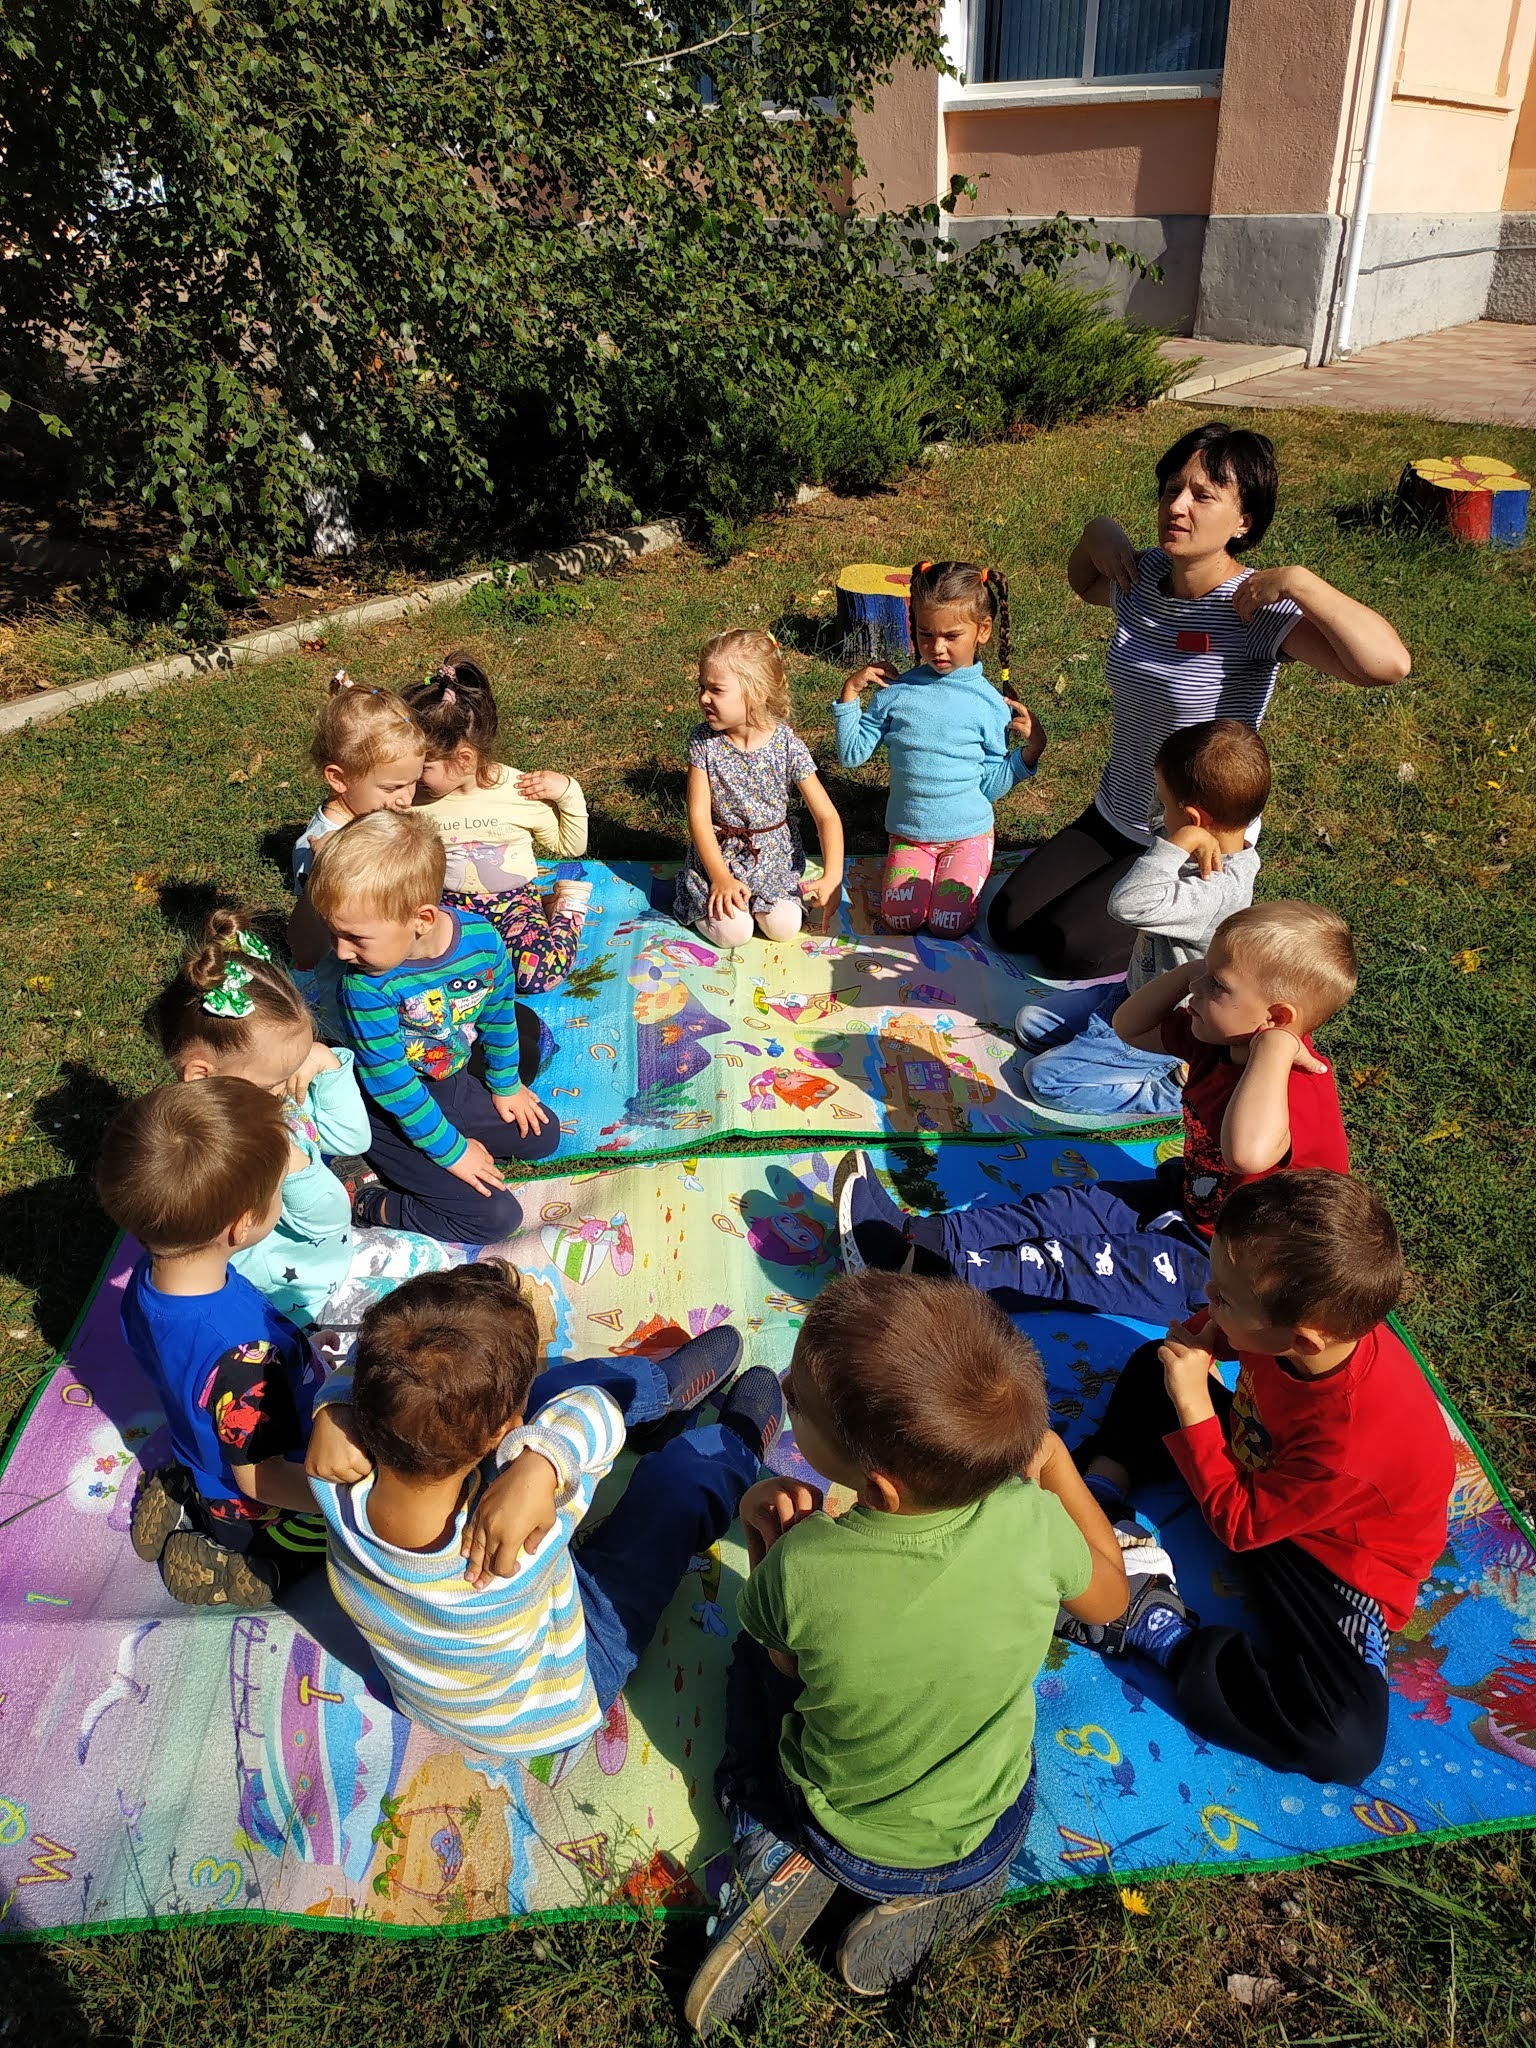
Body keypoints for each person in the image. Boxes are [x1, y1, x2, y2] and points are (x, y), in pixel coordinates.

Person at [683, 1272, 1127, 2034]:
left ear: (882, 1489)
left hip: (834, 1824)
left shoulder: (805, 1567)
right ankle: (950, 1895)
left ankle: (769, 1849)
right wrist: (1055, 1462)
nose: (784, 1388)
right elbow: (1111, 1600)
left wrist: (768, 1538)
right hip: (982, 1829)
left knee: (749, 1670)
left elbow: (786, 1666)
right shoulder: (1033, 1520)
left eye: (798, 1402)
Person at [1060, 1171, 1456, 1784]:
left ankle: (1155, 1625)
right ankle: (1097, 1498)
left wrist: (1195, 1402)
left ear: (1301, 1339)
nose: (1206, 1296)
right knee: (1154, 1368)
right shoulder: (1301, 1335)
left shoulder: (1350, 1443)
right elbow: (1229, 1342)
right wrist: (1209, 1338)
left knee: (1343, 1741)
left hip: (1334, 1559)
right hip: (1265, 1469)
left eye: (1224, 1298)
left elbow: (1241, 1527)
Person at [305, 1262, 785, 1760]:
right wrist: (542, 1467)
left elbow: (373, 1361)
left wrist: (331, 1406)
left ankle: (661, 1395)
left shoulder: (330, 1480)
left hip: (444, 1690)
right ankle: (734, 1445)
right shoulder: (524, 1543)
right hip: (566, 1684)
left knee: (517, 1402)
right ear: (502, 1437)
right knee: (666, 1477)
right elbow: (597, 1413)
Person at [985, 422, 1411, 975]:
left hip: (1197, 837)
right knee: (1008, 922)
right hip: (1117, 810)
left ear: (1243, 521)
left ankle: (1207, 906)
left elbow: (1387, 665)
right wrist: (1097, 532)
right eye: (1171, 489)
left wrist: (1300, 582)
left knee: (1067, 950)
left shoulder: (1253, 609)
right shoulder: (1142, 576)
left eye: (1202, 496)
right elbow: (1085, 583)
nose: (1177, 506)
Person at [837, 899, 1355, 1326]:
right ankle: (925, 1237)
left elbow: (1246, 1153)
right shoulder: (1218, 1036)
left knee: (1071, 1264)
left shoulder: (1295, 1085)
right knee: (1063, 1210)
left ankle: (914, 1274)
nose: (1199, 989)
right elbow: (1130, 1026)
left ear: (1277, 1019)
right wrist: (1190, 973)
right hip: (1187, 1200)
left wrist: (1274, 1048)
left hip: (1232, 1273)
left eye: (1217, 984)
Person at [150, 907, 453, 1329]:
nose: (287, 1088)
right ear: (202, 1076)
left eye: (296, 1064)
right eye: (276, 1080)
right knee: (408, 1329)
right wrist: (295, 1165)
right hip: (297, 1294)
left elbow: (351, 1140)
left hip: (330, 1251)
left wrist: (325, 1064)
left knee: (440, 1263)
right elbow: (325, 1217)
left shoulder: (262, 1097)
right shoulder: (216, 1154)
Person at [96, 1078, 330, 1609]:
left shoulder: (149, 1282)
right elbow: (262, 1477)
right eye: (279, 1189)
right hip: (253, 1503)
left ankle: (182, 1493)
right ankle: (228, 1559)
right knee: (330, 1544)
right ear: (242, 1224)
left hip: (203, 1452)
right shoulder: (243, 1355)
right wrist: (344, 1503)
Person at [305, 807, 557, 1243]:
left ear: (421, 920)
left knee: (543, 1134)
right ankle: (365, 1198)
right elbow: (393, 1086)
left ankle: (437, 1147)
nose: (341, 952)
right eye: (334, 934)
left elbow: (499, 1012)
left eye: (355, 938)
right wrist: (452, 1153)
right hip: (384, 1108)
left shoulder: (481, 941)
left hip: (447, 1077)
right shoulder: (364, 984)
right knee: (495, 1218)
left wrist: (506, 1085)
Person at [1017, 718, 1269, 1122]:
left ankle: (1175, 1089)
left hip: (1167, 1023)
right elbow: (1161, 824)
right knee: (1030, 1024)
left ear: (1193, 819)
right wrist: (1180, 828)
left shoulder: (1217, 890)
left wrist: (1179, 842)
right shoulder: (1208, 833)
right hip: (1134, 992)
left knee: (1045, 1079)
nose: (1158, 813)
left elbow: (1126, 904)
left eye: (1164, 802)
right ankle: (1101, 1048)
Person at [834, 560, 1045, 938]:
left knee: (949, 923)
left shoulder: (990, 705)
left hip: (968, 836)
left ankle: (965, 866)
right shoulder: (896, 693)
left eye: (951, 635)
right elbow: (852, 755)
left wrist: (1029, 754)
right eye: (926, 634)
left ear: (983, 630)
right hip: (910, 836)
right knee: (902, 918)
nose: (937, 647)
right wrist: (849, 694)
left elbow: (988, 785)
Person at [404, 651, 594, 994]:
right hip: (450, 909)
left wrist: (568, 792)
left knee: (537, 976)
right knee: (429, 978)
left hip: (514, 906)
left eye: (423, 767)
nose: (412, 776)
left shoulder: (519, 791)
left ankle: (566, 910)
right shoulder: (413, 798)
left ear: (463, 759)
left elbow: (570, 846)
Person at [675, 629, 845, 949]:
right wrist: (720, 877)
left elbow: (826, 817)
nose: (704, 698)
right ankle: (706, 894)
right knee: (734, 932)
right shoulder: (704, 742)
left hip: (772, 859)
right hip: (720, 856)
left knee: (784, 927)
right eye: (702, 687)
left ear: (756, 694)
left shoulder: (787, 745)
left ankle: (758, 903)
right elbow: (698, 817)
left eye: (716, 690)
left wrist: (832, 877)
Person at [286, 671, 428, 1035]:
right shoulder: (321, 846)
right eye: (392, 787)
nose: (406, 799)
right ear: (338, 778)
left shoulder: (373, 813)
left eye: (414, 782)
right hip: (350, 992)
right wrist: (325, 870)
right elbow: (308, 947)